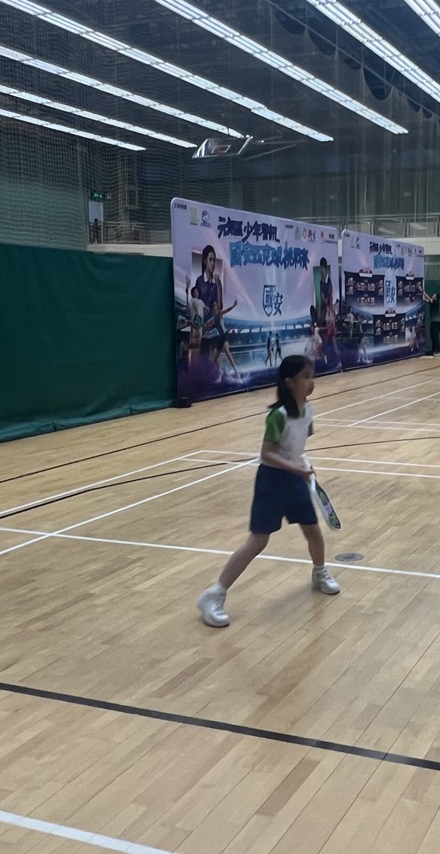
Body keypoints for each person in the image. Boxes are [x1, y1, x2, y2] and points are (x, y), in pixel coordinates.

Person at [196, 355, 341, 628]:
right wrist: (296, 468)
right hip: (272, 481)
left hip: (295, 479)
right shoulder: (278, 415)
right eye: (306, 377)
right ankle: (213, 595)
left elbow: (296, 447)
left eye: (312, 376)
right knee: (258, 541)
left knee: (313, 530)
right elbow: (267, 453)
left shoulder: (308, 410)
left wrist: (303, 464)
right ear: (289, 382)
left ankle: (319, 572)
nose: (312, 382)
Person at [192, 245, 240, 381]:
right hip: (204, 327)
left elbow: (220, 306)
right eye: (210, 260)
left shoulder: (216, 283)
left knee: (218, 353)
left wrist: (219, 285)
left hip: (214, 326)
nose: (213, 263)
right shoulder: (199, 281)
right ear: (205, 261)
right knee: (203, 356)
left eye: (214, 260)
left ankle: (220, 375)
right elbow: (197, 306)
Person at [425, 291, 440, 355]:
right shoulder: (432, 302)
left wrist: (422, 291)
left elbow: (429, 298)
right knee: (432, 336)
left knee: (435, 336)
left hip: (436, 323)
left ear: (436, 298)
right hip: (433, 322)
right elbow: (426, 300)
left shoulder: (435, 303)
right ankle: (433, 350)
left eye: (434, 295)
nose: (432, 295)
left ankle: (437, 350)